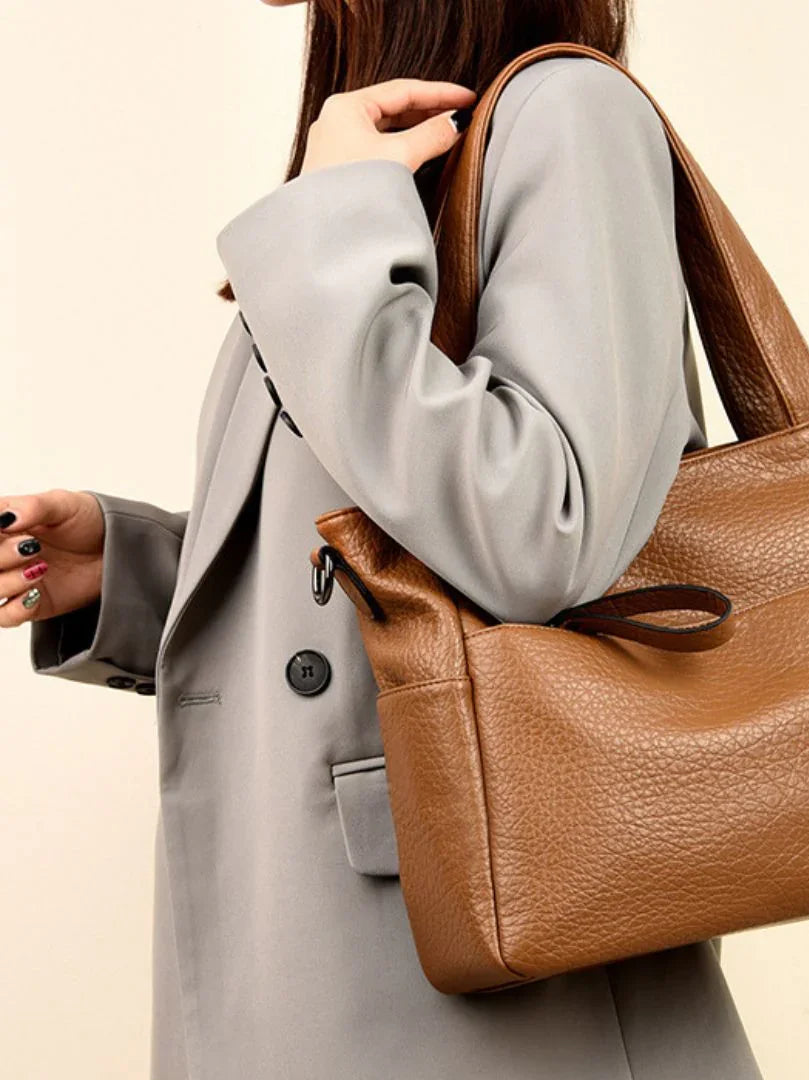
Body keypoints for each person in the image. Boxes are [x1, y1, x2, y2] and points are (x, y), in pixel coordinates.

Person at [2, 2, 764, 1077]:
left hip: (477, 987)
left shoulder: (566, 116)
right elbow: (383, 561)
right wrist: (130, 576)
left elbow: (539, 530)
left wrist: (330, 223)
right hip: (332, 956)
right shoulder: (373, 174)